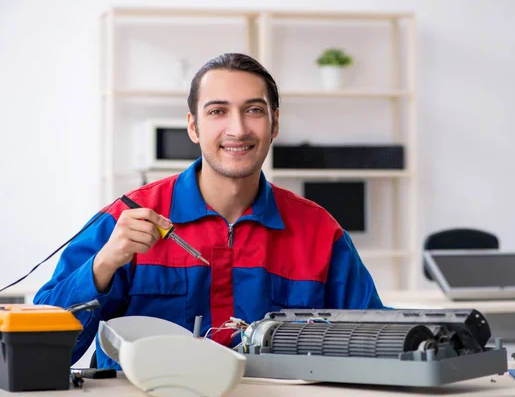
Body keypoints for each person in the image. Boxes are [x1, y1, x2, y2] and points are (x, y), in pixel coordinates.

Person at [33, 52, 385, 369]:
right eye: (218, 111)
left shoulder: (319, 232)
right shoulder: (128, 218)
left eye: (254, 110)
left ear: (274, 124)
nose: (238, 129)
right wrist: (104, 264)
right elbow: (42, 348)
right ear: (193, 126)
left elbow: (377, 342)